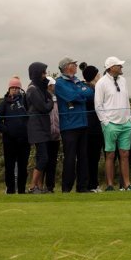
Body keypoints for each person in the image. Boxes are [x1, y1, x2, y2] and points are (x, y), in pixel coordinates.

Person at [54, 57, 95, 193]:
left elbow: (90, 93)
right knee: (70, 158)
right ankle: (66, 188)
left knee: (83, 157)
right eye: (74, 64)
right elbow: (73, 97)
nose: (76, 65)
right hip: (69, 126)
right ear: (67, 67)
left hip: (82, 124)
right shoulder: (59, 83)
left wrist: (81, 93)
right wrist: (81, 93)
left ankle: (82, 187)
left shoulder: (77, 80)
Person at [94, 56, 131, 191]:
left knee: (125, 154)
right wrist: (106, 122)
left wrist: (128, 118)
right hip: (110, 123)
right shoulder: (102, 83)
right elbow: (98, 105)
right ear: (111, 68)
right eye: (119, 65)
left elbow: (126, 100)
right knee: (110, 155)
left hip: (125, 123)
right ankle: (110, 185)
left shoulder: (123, 80)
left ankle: (127, 184)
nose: (121, 67)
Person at [0, 76, 30, 194]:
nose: (15, 89)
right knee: (9, 166)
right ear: (9, 89)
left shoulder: (25, 101)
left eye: (17, 87)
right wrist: (7, 131)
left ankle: (21, 189)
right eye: (12, 87)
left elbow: (30, 116)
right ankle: (10, 190)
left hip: (24, 140)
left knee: (23, 166)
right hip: (9, 140)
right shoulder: (4, 103)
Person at [26, 61, 56, 194]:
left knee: (41, 157)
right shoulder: (32, 89)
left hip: (42, 126)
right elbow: (44, 107)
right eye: (43, 72)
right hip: (36, 127)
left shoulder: (39, 88)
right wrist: (50, 102)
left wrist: (46, 94)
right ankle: (33, 187)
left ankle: (37, 187)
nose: (45, 75)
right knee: (43, 157)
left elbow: (47, 98)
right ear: (37, 73)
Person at [80, 63, 105, 192]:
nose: (100, 76)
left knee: (94, 158)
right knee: (90, 157)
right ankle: (90, 184)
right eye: (98, 74)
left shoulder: (95, 88)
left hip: (96, 127)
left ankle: (94, 183)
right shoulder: (88, 90)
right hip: (90, 127)